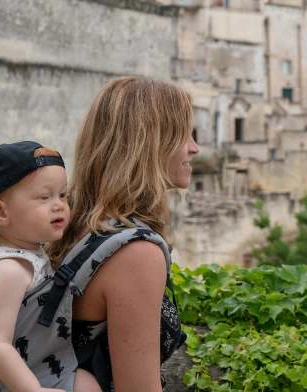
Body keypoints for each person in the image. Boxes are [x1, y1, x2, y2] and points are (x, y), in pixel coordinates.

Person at [48, 76, 199, 392]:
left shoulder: (69, 220)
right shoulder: (135, 253)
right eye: (183, 134)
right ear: (151, 143)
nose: (194, 148)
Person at [0, 141, 100, 392]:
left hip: (38, 361)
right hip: (15, 378)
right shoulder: (8, 270)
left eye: (63, 195)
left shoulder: (26, 249)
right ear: (1, 212)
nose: (59, 205)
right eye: (44, 197)